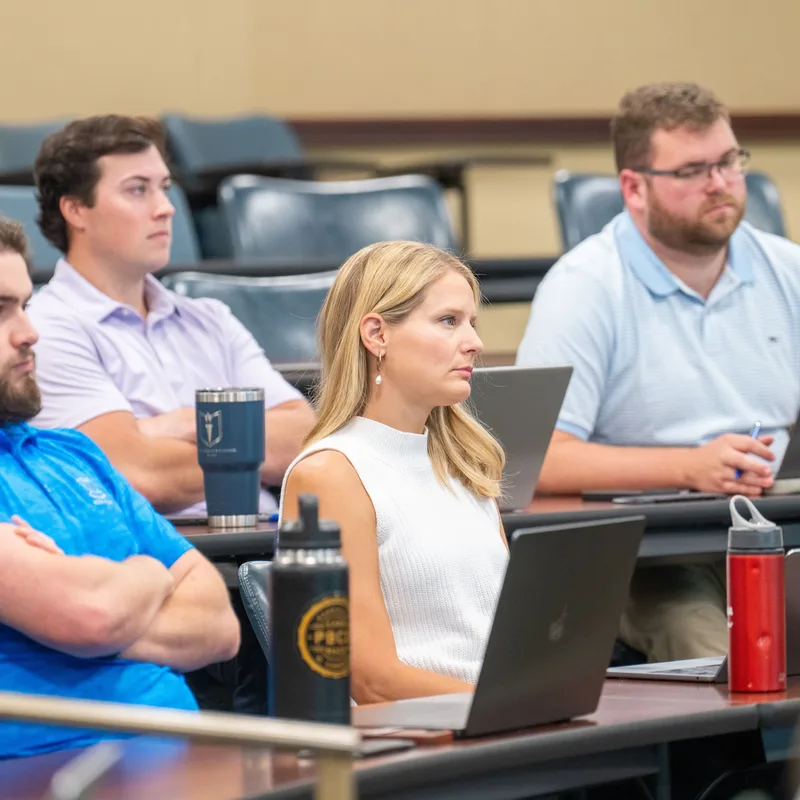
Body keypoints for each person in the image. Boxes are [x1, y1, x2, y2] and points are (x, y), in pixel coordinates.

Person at [516, 82, 800, 662]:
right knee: (723, 650)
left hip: (778, 529)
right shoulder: (585, 289)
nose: (720, 184)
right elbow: (533, 457)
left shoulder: (786, 270)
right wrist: (686, 467)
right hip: (651, 554)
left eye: (728, 162)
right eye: (693, 170)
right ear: (634, 188)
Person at [0, 218, 239, 758]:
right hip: (46, 770)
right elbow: (91, 616)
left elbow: (219, 626)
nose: (28, 331)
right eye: (0, 310)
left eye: (25, 304)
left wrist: (97, 605)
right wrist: (152, 575)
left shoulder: (74, 453)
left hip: (186, 755)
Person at [27, 114, 315, 518]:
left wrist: (182, 424)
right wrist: (249, 446)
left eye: (164, 188)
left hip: (266, 540)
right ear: (76, 210)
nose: (165, 208)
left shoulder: (210, 318)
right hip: (163, 558)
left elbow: (304, 441)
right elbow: (140, 474)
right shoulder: (46, 329)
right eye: (138, 190)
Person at [280, 241, 509, 704]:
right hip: (417, 741)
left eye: (472, 323)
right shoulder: (330, 475)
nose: (475, 343)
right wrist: (511, 703)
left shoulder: (465, 462)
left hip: (501, 721)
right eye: (449, 321)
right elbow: (369, 679)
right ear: (376, 335)